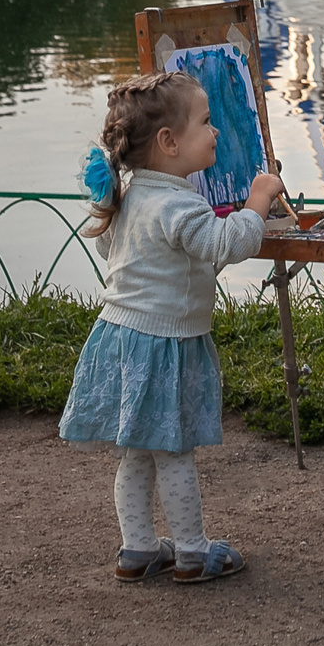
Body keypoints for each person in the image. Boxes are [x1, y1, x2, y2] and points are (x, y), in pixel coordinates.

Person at [59, 71, 286, 584]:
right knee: (175, 450)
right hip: (165, 345)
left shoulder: (132, 195)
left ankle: (137, 548)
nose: (216, 133)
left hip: (121, 337)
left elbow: (160, 260)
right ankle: (191, 551)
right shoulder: (180, 203)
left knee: (137, 451)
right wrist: (258, 200)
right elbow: (227, 245)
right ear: (168, 142)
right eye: (206, 123)